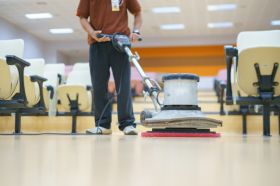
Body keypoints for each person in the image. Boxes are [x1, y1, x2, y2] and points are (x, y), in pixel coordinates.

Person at [76, 0, 142, 135]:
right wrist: (92, 32)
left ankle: (127, 124)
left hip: (121, 43)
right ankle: (102, 124)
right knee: (99, 86)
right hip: (97, 43)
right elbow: (82, 17)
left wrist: (136, 31)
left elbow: (138, 12)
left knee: (123, 85)